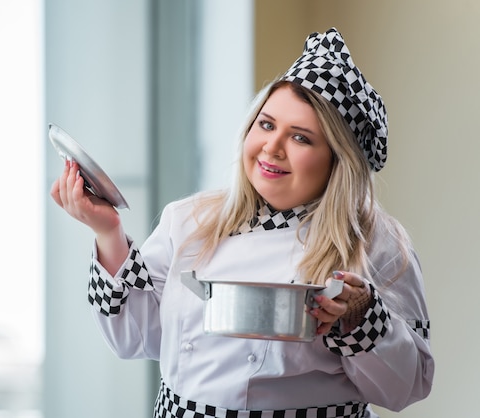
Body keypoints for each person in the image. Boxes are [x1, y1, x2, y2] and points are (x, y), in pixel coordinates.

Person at [50, 28, 434, 418]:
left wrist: (362, 318)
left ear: (339, 161)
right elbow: (133, 338)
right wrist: (108, 232)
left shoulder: (378, 246)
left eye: (300, 138)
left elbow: (409, 386)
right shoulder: (188, 221)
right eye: (266, 125)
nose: (271, 147)